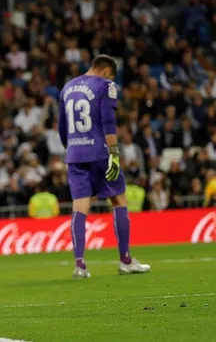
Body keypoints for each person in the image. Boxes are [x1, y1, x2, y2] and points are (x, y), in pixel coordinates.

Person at [58, 55, 151, 278]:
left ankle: (80, 266)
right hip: (101, 152)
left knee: (79, 208)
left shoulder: (67, 87)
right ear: (106, 70)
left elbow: (62, 127)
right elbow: (109, 121)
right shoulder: (106, 85)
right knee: (119, 200)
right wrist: (115, 154)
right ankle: (125, 260)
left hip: (75, 154)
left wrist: (71, 148)